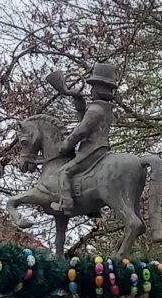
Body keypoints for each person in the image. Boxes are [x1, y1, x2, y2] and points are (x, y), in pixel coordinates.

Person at [46, 62, 117, 216]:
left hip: (91, 149)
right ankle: (93, 207)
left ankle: (66, 204)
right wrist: (78, 100)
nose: (91, 91)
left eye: (93, 87)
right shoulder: (105, 109)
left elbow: (81, 131)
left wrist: (66, 144)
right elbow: (84, 118)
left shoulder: (95, 109)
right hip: (102, 148)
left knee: (64, 172)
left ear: (98, 88)